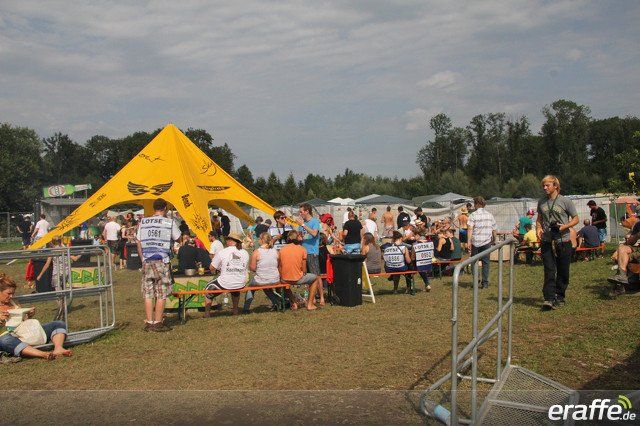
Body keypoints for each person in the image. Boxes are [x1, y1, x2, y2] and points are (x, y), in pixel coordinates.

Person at [0, 273, 72, 360]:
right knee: (4, 340)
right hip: (8, 337)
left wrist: (28, 314)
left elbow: (23, 321)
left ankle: (58, 348)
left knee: (58, 324)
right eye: (8, 293)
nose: (11, 296)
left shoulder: (13, 302)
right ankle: (42, 354)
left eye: (13, 293)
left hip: (23, 333)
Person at [136, 198, 181, 332]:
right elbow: (178, 238)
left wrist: (142, 258)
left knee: (148, 292)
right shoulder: (169, 222)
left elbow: (138, 241)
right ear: (165, 208)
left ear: (154, 208)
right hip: (162, 260)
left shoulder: (144, 222)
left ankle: (149, 322)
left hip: (147, 260)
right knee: (161, 292)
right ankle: (158, 322)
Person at [536, 175, 579, 310]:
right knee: (549, 269)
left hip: (563, 240)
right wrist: (538, 228)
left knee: (563, 270)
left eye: (547, 185)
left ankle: (560, 295)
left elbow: (576, 219)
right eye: (543, 186)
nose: (544, 188)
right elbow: (539, 219)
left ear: (555, 186)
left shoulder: (565, 201)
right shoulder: (541, 201)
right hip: (547, 240)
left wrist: (565, 226)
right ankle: (549, 298)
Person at [203, 232, 249, 317]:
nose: (226, 241)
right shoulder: (245, 253)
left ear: (230, 241)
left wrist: (220, 268)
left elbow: (212, 267)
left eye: (227, 239)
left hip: (225, 282)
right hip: (240, 282)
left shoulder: (223, 252)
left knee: (208, 289)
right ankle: (235, 311)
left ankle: (207, 314)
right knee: (235, 288)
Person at [279, 230, 321, 310]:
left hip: (284, 279)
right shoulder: (302, 249)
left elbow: (280, 266)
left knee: (285, 284)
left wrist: (282, 276)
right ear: (297, 238)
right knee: (315, 278)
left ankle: (293, 302)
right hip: (297, 278)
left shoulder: (282, 249)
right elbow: (304, 269)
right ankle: (310, 304)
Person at [243, 232, 282, 313]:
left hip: (262, 279)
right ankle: (278, 303)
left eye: (259, 239)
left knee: (250, 288)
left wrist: (256, 269)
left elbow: (252, 268)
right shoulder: (276, 251)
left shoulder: (257, 252)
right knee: (266, 287)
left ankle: (246, 308)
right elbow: (278, 265)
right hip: (275, 279)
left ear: (261, 240)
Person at [467, 196, 497, 289]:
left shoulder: (473, 215)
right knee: (486, 263)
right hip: (486, 242)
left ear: (476, 204)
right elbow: (494, 229)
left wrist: (468, 242)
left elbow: (470, 229)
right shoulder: (490, 215)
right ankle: (485, 283)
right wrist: (494, 239)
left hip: (475, 242)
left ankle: (476, 281)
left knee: (474, 262)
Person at [609, 219, 640, 290]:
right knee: (622, 249)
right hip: (638, 249)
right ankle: (622, 276)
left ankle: (631, 281)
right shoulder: (638, 225)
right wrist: (637, 235)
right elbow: (630, 242)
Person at [296, 203, 322, 285]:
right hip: (303, 253)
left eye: (301, 212)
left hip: (312, 252)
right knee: (307, 276)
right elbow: (300, 237)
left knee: (316, 275)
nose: (300, 214)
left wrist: (303, 225)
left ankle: (321, 293)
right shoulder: (302, 224)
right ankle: (312, 293)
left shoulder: (314, 221)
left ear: (307, 211)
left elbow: (314, 233)